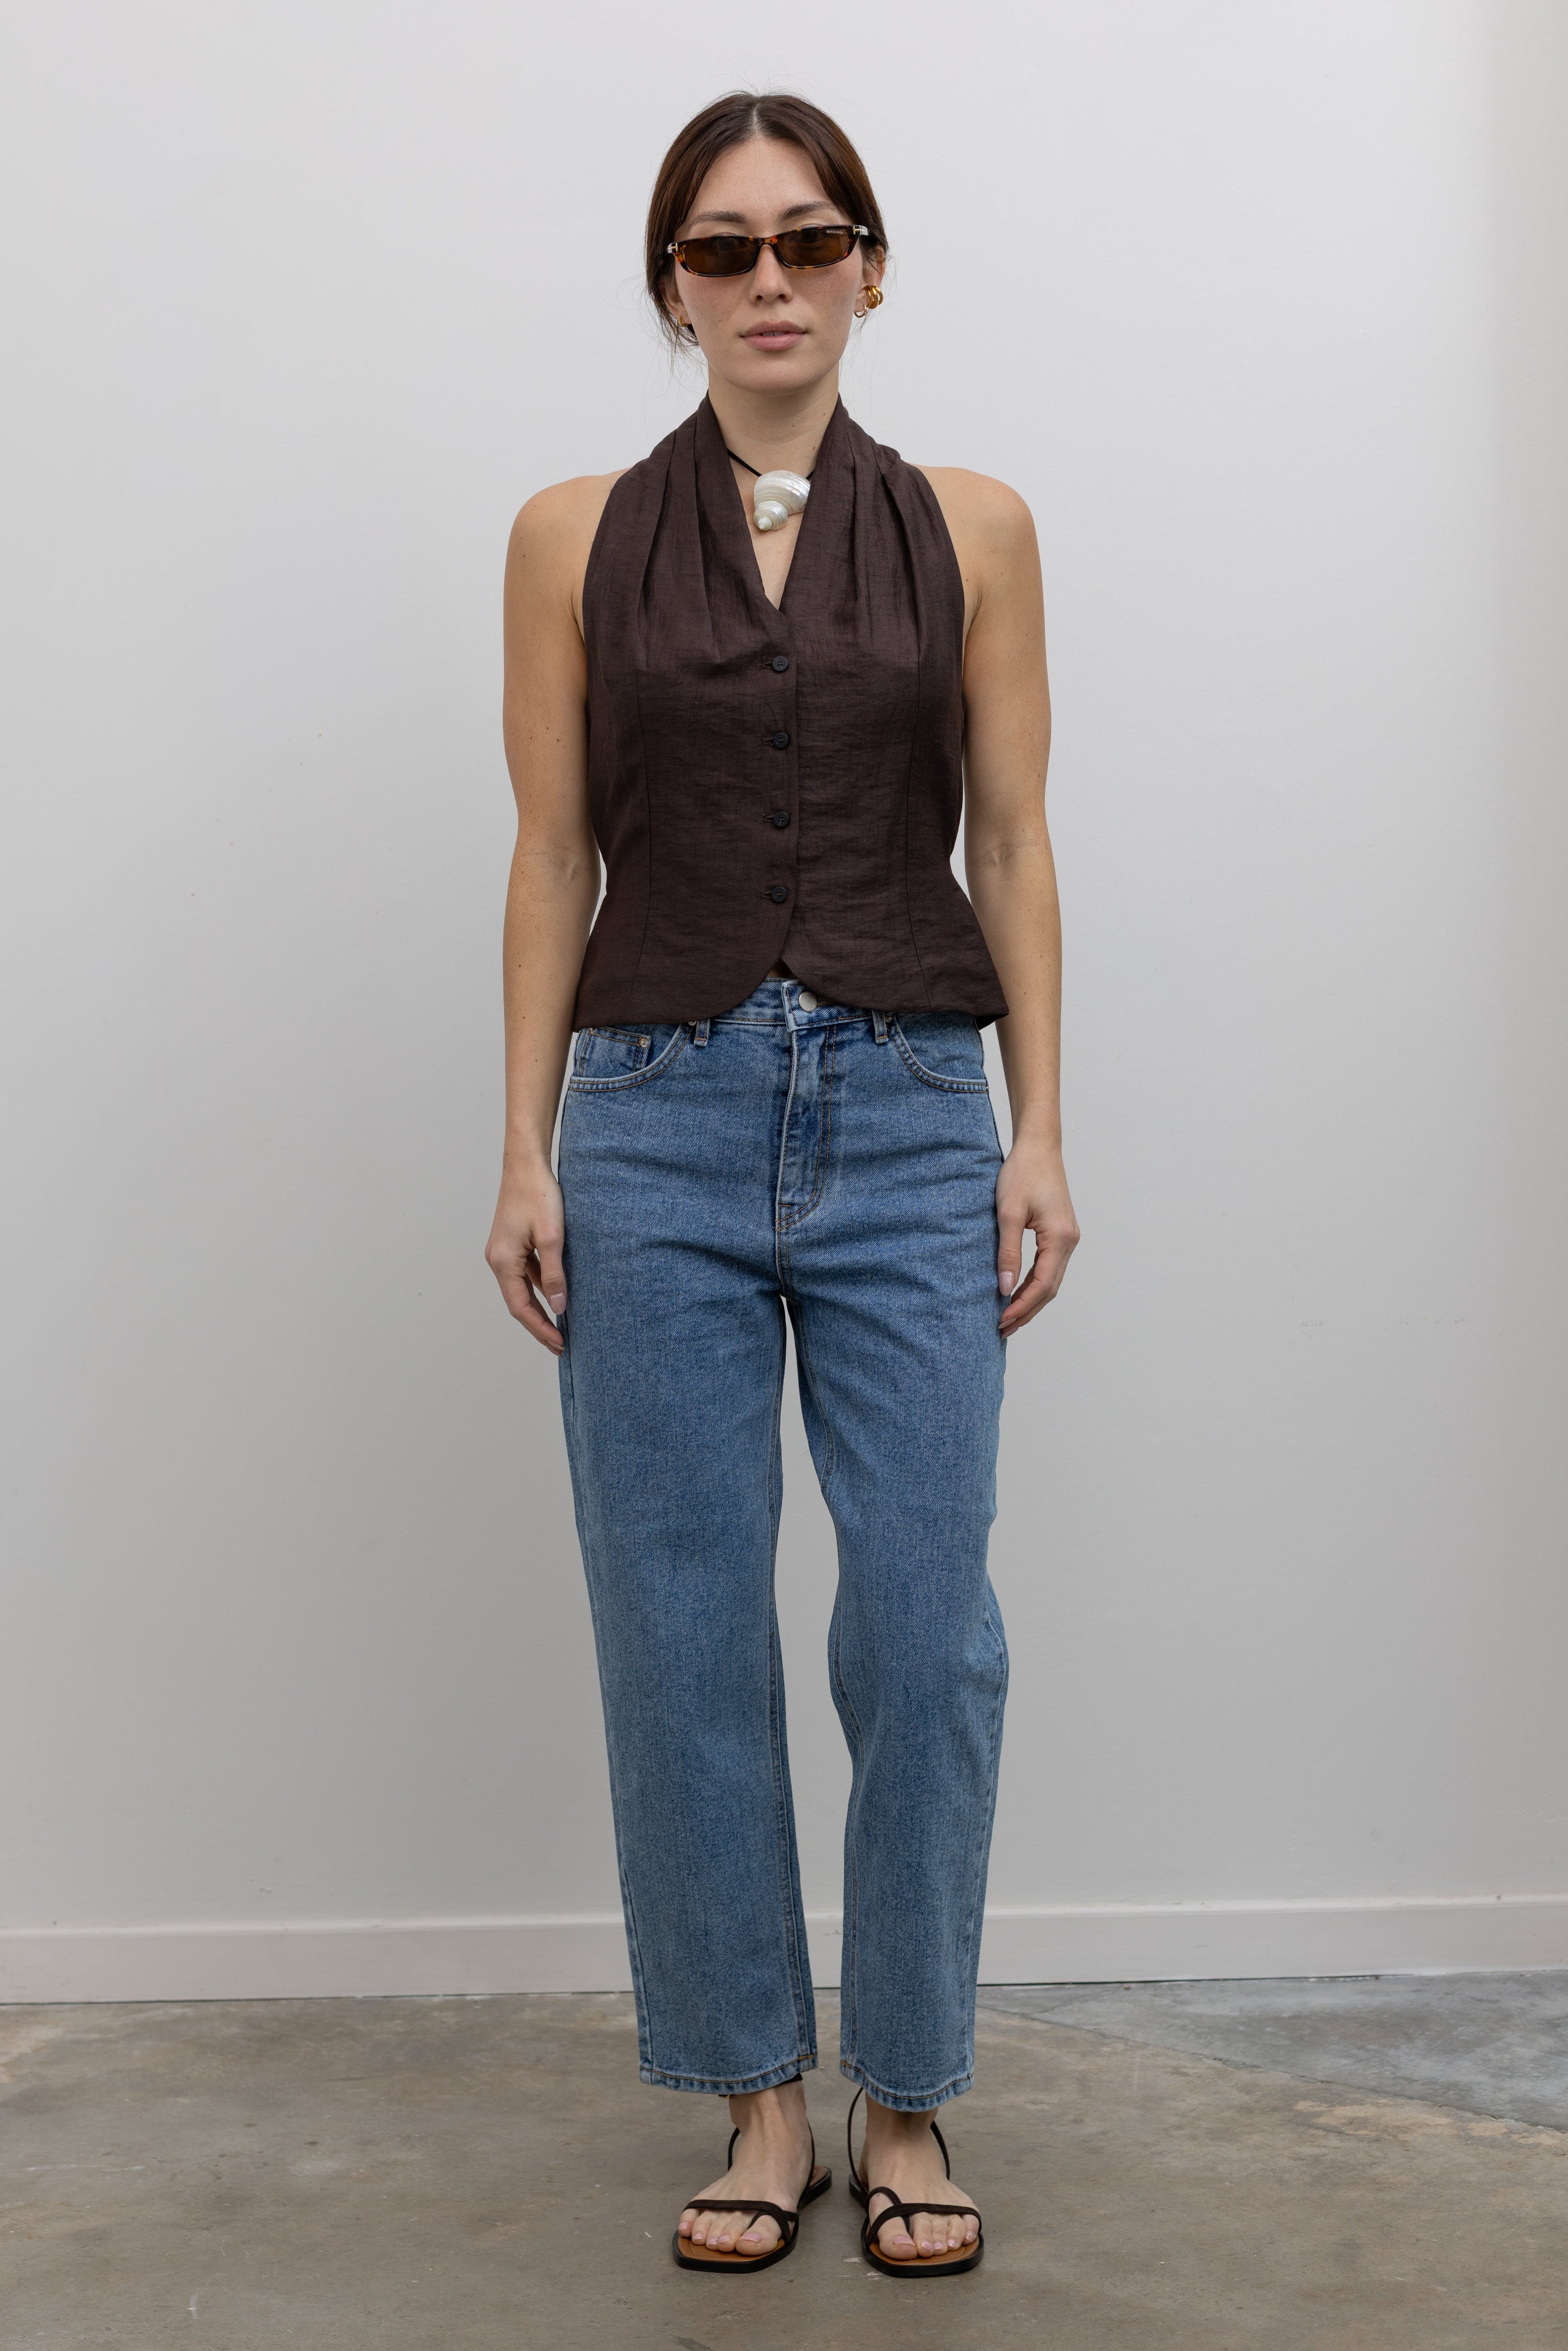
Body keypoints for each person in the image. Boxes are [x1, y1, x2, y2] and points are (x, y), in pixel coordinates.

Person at [485, 89, 1078, 2280]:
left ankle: (901, 2085)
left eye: (806, 240)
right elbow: (554, 852)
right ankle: (755, 2086)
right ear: (671, 285)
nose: (766, 280)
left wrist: (1035, 1120)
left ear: (869, 265)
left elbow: (1005, 840)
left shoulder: (976, 527)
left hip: (916, 1103)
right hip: (648, 1109)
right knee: (679, 1623)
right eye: (721, 248)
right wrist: (524, 1145)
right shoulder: (567, 533)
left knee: (925, 1629)